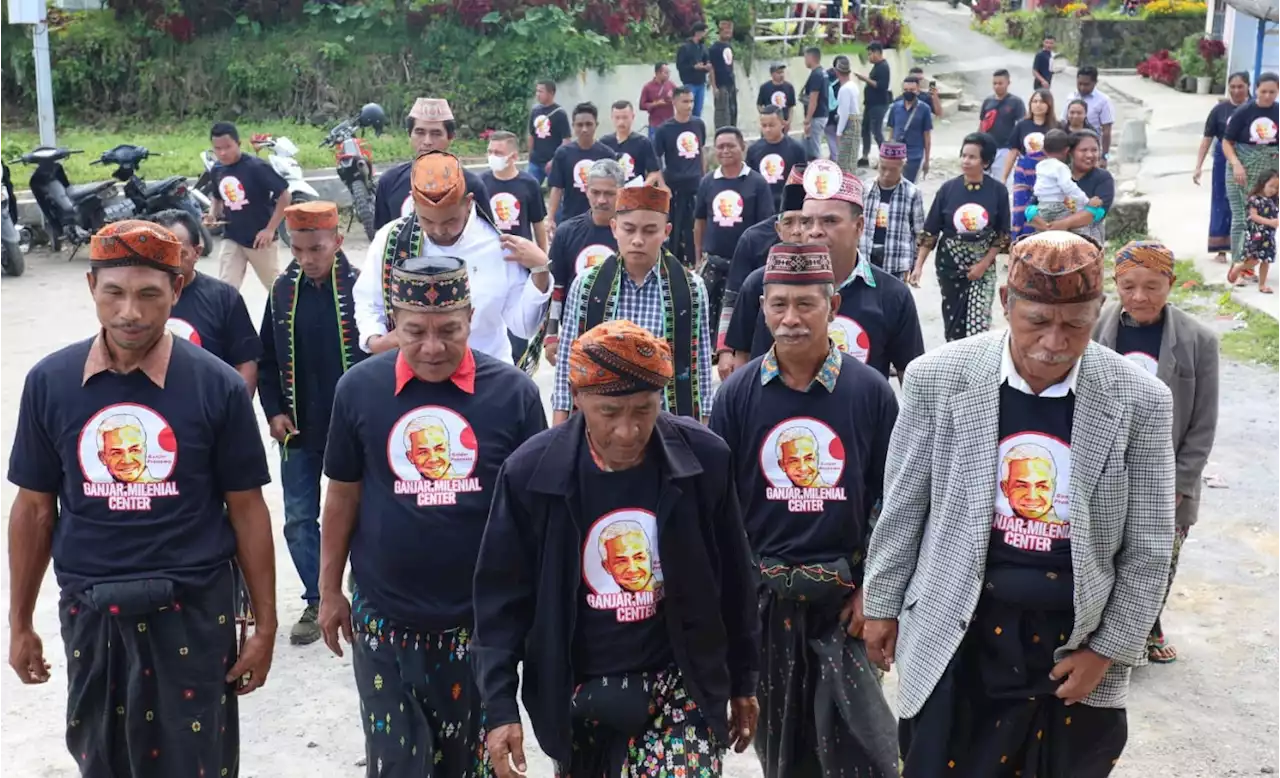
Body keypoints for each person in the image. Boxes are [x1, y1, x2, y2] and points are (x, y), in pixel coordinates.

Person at [865, 230, 1176, 777]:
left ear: (1096, 312)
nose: (1053, 342)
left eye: (1075, 325)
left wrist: (1106, 651)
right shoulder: (939, 377)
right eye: (1037, 321)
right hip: (957, 630)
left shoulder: (1139, 399)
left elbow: (1150, 546)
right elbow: (905, 504)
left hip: (1070, 646)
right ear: (1006, 303)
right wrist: (883, 604)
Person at [7, 220, 276, 776]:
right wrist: (20, 622)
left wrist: (265, 625)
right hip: (91, 610)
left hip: (195, 611)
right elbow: (33, 509)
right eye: (115, 293)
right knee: (101, 759)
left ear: (177, 291)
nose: (130, 311)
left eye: (150, 294)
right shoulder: (50, 383)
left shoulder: (218, 385)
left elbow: (247, 509)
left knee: (198, 762)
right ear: (91, 288)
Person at [476, 320, 761, 778]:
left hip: (678, 682)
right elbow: (500, 602)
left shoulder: (704, 461)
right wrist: (499, 706)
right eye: (609, 412)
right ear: (577, 397)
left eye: (643, 410)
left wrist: (743, 679)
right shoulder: (530, 474)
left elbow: (735, 580)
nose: (628, 431)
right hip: (578, 688)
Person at [318, 256, 547, 778]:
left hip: (480, 629)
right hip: (384, 620)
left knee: (478, 763)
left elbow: (537, 516)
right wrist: (330, 590)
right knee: (399, 763)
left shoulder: (514, 395)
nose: (432, 347)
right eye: (414, 330)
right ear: (393, 323)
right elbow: (343, 496)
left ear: (470, 316)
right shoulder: (358, 390)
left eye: (449, 330)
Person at [711, 244, 901, 778]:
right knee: (781, 746)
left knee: (858, 747)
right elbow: (718, 506)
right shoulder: (738, 396)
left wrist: (874, 589)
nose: (791, 319)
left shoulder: (870, 393)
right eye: (778, 305)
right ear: (762, 310)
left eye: (805, 305)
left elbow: (897, 502)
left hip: (845, 604)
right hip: (765, 601)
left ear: (833, 305)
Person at [1093, 240, 1219, 666]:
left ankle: (1146, 627)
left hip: (1167, 475)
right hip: (1107, 467)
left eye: (1152, 285)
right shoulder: (1095, 331)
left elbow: (1202, 422)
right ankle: (1106, 633)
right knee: (1104, 550)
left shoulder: (1198, 340)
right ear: (1116, 284)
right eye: (1128, 286)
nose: (1140, 297)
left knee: (1158, 555)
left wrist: (1181, 483)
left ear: (1171, 284)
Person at [258, 201, 368, 645]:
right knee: (299, 519)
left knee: (361, 514)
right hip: (299, 429)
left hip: (354, 432)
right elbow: (266, 360)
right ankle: (315, 597)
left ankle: (362, 597)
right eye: (299, 249)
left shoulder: (362, 291)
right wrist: (273, 411)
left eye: (316, 248)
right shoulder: (282, 292)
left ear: (337, 243)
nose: (306, 258)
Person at [725, 161, 923, 382]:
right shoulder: (759, 284)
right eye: (807, 221)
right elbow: (741, 366)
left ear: (858, 226)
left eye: (829, 221)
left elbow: (912, 379)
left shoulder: (893, 294)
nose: (815, 231)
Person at [355, 150, 552, 371]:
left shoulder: (499, 246)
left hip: (484, 376)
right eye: (427, 220)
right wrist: (376, 340)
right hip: (414, 376)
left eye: (450, 220)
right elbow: (368, 302)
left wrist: (540, 270)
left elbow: (524, 327)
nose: (439, 230)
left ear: (468, 203)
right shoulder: (392, 240)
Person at [552, 185, 714, 423]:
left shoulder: (691, 288)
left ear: (666, 232)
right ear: (615, 228)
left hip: (666, 422)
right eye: (629, 229)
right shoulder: (587, 284)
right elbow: (568, 360)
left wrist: (701, 432)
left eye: (650, 231)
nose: (638, 240)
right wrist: (560, 430)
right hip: (600, 421)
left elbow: (699, 367)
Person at [911, 132, 1012, 342]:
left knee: (979, 322)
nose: (966, 161)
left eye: (972, 157)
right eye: (964, 155)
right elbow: (931, 231)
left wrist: (983, 265)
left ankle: (977, 364)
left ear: (985, 162)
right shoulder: (948, 190)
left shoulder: (998, 192)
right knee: (953, 320)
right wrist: (918, 266)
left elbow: (1002, 235)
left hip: (982, 268)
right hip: (949, 266)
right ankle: (955, 362)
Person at [152, 208, 260, 393]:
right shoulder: (135, 300)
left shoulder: (224, 298)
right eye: (158, 253)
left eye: (179, 253)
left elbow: (246, 364)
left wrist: (237, 413)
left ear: (197, 252)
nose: (167, 262)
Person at [718, 169, 810, 373]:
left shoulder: (831, 273)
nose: (797, 230)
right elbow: (733, 297)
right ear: (778, 227)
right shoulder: (753, 244)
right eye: (789, 222)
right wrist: (724, 351)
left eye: (805, 221)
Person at [694, 126, 775, 332]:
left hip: (745, 266)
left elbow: (766, 226)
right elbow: (700, 221)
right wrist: (697, 258)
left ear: (743, 147)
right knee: (703, 317)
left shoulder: (757, 183)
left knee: (739, 319)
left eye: (730, 145)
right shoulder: (707, 182)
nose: (725, 150)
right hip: (713, 262)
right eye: (720, 147)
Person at [544, 159, 625, 364]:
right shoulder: (567, 232)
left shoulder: (633, 234)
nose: (601, 200)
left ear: (621, 192)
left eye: (609, 193)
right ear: (586, 191)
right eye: (595, 192)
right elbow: (556, 288)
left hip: (623, 333)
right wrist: (551, 334)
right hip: (577, 332)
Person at [373, 98, 492, 230]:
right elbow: (382, 237)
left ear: (450, 137)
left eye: (436, 133)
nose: (427, 141)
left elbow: (487, 238)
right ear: (409, 135)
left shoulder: (471, 184)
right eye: (420, 132)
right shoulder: (389, 181)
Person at [208, 120, 290, 291]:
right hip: (232, 237)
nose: (222, 153)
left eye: (227, 147)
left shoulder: (256, 167)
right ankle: (228, 317)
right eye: (217, 149)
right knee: (226, 289)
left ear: (238, 144)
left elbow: (285, 195)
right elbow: (216, 197)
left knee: (277, 289)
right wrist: (212, 214)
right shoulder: (217, 169)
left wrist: (270, 229)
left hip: (260, 240)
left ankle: (290, 317)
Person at [1223, 71, 1280, 264]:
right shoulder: (1244, 112)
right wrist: (1236, 163)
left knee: (1263, 220)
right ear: (1256, 90)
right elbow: (1226, 142)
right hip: (1242, 172)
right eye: (1263, 91)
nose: (1267, 96)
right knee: (1241, 218)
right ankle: (1237, 263)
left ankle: (1252, 264)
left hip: (1267, 177)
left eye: (1272, 92)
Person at [1195, 71, 1251, 264]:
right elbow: (1207, 139)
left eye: (1240, 87)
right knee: (1221, 201)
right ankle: (1221, 249)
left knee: (1247, 203)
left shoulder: (1256, 109)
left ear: (1248, 87)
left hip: (1250, 158)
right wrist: (1198, 166)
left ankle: (1247, 250)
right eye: (1232, 87)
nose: (1236, 91)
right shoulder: (1220, 110)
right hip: (1222, 160)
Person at [1028, 130, 1116, 244]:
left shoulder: (1103, 178)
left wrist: (1064, 224)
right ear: (1070, 152)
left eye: (1094, 150)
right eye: (1083, 150)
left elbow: (1097, 214)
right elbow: (1031, 210)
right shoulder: (1056, 173)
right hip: (1051, 241)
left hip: (1086, 243)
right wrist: (1046, 226)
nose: (1090, 155)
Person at [654, 87, 709, 267]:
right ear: (675, 102)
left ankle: (696, 262)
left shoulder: (698, 124)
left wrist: (705, 178)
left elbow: (701, 152)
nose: (689, 106)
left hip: (696, 185)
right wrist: (662, 185)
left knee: (696, 227)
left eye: (692, 101)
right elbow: (656, 162)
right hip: (674, 186)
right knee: (675, 230)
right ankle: (672, 264)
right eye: (685, 101)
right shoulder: (664, 130)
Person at [859, 142, 925, 280]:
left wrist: (915, 266)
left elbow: (919, 234)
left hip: (896, 263)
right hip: (866, 261)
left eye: (893, 170)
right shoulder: (865, 188)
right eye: (883, 168)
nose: (887, 174)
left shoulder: (912, 193)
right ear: (878, 164)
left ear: (902, 166)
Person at [548, 102, 619, 229]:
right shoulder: (563, 153)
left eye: (588, 124)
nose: (584, 129)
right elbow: (556, 188)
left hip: (601, 220)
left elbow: (615, 189)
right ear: (573, 126)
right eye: (580, 125)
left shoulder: (607, 154)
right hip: (570, 218)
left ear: (596, 125)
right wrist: (550, 218)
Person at [1001, 88, 1058, 238]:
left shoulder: (1055, 127)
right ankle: (1018, 246)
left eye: (1042, 101)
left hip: (1047, 177)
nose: (1038, 105)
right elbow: (1013, 152)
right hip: (1024, 174)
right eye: (1035, 101)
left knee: (1042, 213)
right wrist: (1003, 178)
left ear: (1049, 105)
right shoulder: (1022, 125)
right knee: (1021, 212)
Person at [1034, 129, 1105, 222]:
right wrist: (1087, 201)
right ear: (1067, 150)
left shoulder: (1040, 166)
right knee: (1074, 223)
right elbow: (1069, 187)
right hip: (1057, 207)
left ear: (1043, 150)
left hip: (1042, 206)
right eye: (1084, 150)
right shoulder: (1061, 167)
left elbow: (1038, 188)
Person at [747, 105, 808, 210]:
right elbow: (750, 181)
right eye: (764, 125)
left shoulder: (796, 149)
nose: (767, 129)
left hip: (788, 205)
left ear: (782, 124)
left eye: (771, 125)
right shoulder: (753, 150)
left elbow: (802, 180)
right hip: (762, 205)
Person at [1228, 169, 1280, 292]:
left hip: (1268, 236)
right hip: (1256, 236)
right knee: (1253, 260)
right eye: (1271, 186)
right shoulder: (1254, 199)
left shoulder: (1274, 200)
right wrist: (1270, 222)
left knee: (1266, 261)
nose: (1273, 190)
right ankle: (1238, 267)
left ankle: (1262, 285)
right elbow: (1253, 216)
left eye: (1276, 187)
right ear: (1262, 184)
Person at [600, 100, 662, 185]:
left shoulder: (643, 142)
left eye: (625, 117)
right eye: (617, 118)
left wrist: (642, 187)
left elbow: (654, 172)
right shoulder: (604, 143)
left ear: (632, 117)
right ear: (612, 118)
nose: (621, 122)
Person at [1062, 66, 1115, 163]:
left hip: (1089, 152)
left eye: (1086, 84)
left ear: (1095, 83)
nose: (1082, 87)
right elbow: (1063, 121)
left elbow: (1106, 132)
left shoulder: (1103, 101)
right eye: (1079, 84)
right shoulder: (1071, 97)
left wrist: (1104, 157)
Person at [980, 69, 1026, 180]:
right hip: (988, 146)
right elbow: (982, 123)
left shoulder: (1016, 102)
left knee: (1001, 179)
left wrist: (1019, 147)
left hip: (1005, 148)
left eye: (1000, 83)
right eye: (994, 83)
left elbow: (1022, 124)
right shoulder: (988, 101)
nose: (997, 86)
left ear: (1008, 83)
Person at [886, 76, 933, 183]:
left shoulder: (924, 109)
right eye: (906, 90)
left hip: (914, 155)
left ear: (918, 90)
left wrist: (926, 160)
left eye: (911, 90)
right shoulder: (895, 107)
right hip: (896, 154)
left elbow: (927, 136)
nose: (908, 92)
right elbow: (892, 131)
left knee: (909, 185)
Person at [527, 79, 572, 187]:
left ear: (551, 93)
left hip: (553, 163)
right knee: (529, 189)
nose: (537, 95)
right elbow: (531, 135)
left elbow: (566, 141)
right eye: (536, 91)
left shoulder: (560, 114)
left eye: (541, 91)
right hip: (535, 162)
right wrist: (530, 155)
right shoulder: (535, 111)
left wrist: (554, 160)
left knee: (556, 193)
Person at [855, 42, 891, 167]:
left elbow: (881, 86)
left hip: (878, 104)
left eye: (870, 54)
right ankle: (865, 156)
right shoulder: (877, 66)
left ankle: (886, 157)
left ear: (877, 53)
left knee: (876, 131)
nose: (869, 57)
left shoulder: (883, 67)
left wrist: (864, 79)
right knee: (865, 129)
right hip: (870, 104)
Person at [800, 46, 831, 160]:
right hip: (822, 113)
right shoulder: (823, 72)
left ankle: (818, 172)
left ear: (810, 57)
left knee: (815, 148)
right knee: (809, 145)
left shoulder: (816, 75)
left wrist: (808, 119)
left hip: (816, 116)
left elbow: (813, 99)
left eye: (805, 57)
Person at [676, 22, 712, 117]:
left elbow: (707, 60)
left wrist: (707, 66)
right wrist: (693, 67)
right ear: (698, 33)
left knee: (698, 111)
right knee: (688, 109)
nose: (706, 35)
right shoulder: (685, 47)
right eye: (704, 33)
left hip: (701, 82)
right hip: (690, 82)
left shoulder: (703, 47)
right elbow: (680, 65)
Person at [833, 55, 862, 172]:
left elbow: (844, 112)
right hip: (856, 120)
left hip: (849, 122)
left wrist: (839, 132)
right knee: (852, 157)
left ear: (836, 71)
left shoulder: (844, 89)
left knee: (844, 160)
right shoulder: (853, 85)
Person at [710, 18, 739, 131]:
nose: (728, 34)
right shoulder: (714, 48)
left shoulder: (729, 46)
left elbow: (730, 66)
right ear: (720, 32)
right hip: (720, 84)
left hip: (730, 84)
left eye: (730, 32)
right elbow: (711, 68)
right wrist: (714, 86)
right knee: (723, 113)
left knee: (732, 111)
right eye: (726, 32)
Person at [639, 62, 676, 140]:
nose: (668, 75)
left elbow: (680, 97)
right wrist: (655, 104)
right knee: (654, 148)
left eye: (669, 72)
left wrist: (673, 97)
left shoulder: (671, 84)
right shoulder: (647, 87)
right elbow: (642, 105)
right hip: (655, 124)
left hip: (670, 123)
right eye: (666, 73)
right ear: (658, 73)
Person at [757, 62, 798, 128]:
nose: (781, 75)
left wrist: (788, 122)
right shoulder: (764, 87)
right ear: (772, 74)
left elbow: (791, 107)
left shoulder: (789, 87)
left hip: (784, 123)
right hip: (770, 124)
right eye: (778, 73)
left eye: (782, 72)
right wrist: (766, 117)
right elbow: (759, 105)